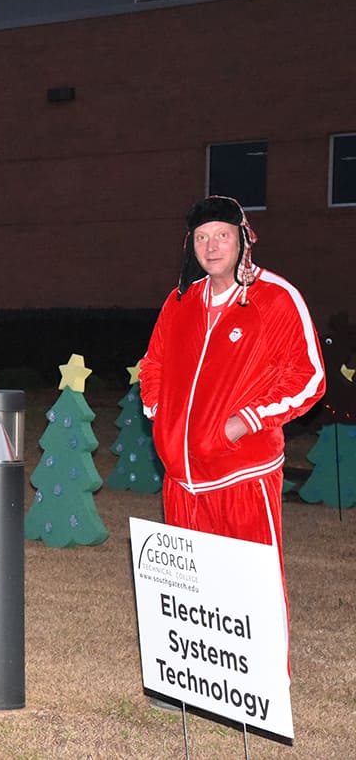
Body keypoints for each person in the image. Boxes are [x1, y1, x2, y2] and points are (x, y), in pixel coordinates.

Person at [139, 195, 325, 670]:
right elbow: (154, 362)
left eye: (222, 234)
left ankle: (262, 681)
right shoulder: (181, 300)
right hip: (182, 479)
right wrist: (159, 411)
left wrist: (244, 422)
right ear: (191, 246)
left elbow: (307, 377)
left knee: (251, 581)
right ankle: (192, 677)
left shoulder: (275, 298)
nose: (212, 245)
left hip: (242, 473)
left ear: (243, 238)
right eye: (202, 237)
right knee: (192, 587)